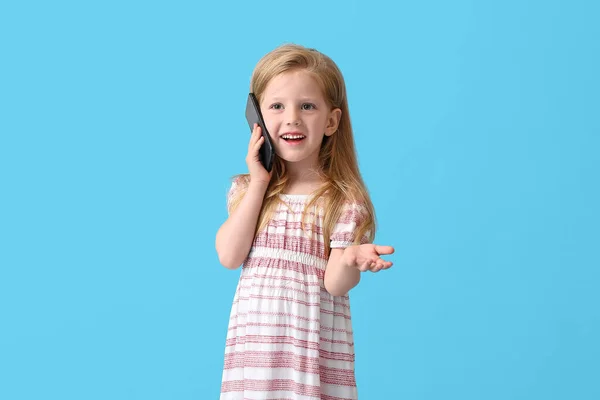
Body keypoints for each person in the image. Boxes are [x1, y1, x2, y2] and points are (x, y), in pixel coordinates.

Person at [216, 43, 395, 400]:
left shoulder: (343, 200)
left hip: (309, 359)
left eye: (307, 106)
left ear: (331, 121)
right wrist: (260, 183)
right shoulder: (248, 190)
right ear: (257, 119)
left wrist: (350, 259)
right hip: (255, 362)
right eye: (277, 106)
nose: (293, 118)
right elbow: (229, 255)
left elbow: (336, 284)